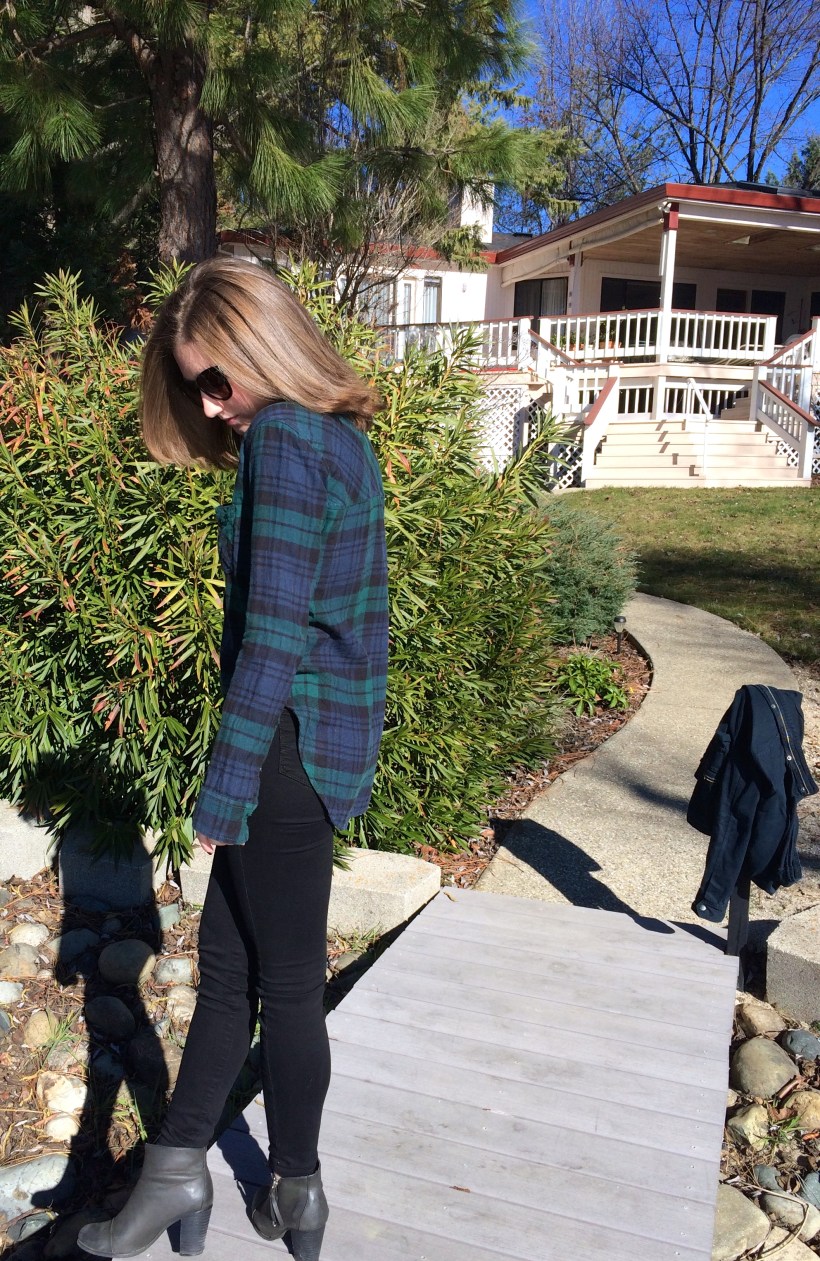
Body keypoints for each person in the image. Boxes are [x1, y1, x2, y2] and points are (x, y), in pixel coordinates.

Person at [78, 256, 389, 1261]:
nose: (212, 409)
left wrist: (226, 786)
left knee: (286, 984)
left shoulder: (290, 440)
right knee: (232, 975)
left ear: (264, 350)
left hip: (286, 746)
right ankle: (185, 1180)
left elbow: (273, 637)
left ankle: (291, 1190)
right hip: (315, 745)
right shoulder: (340, 440)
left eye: (218, 379)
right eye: (195, 385)